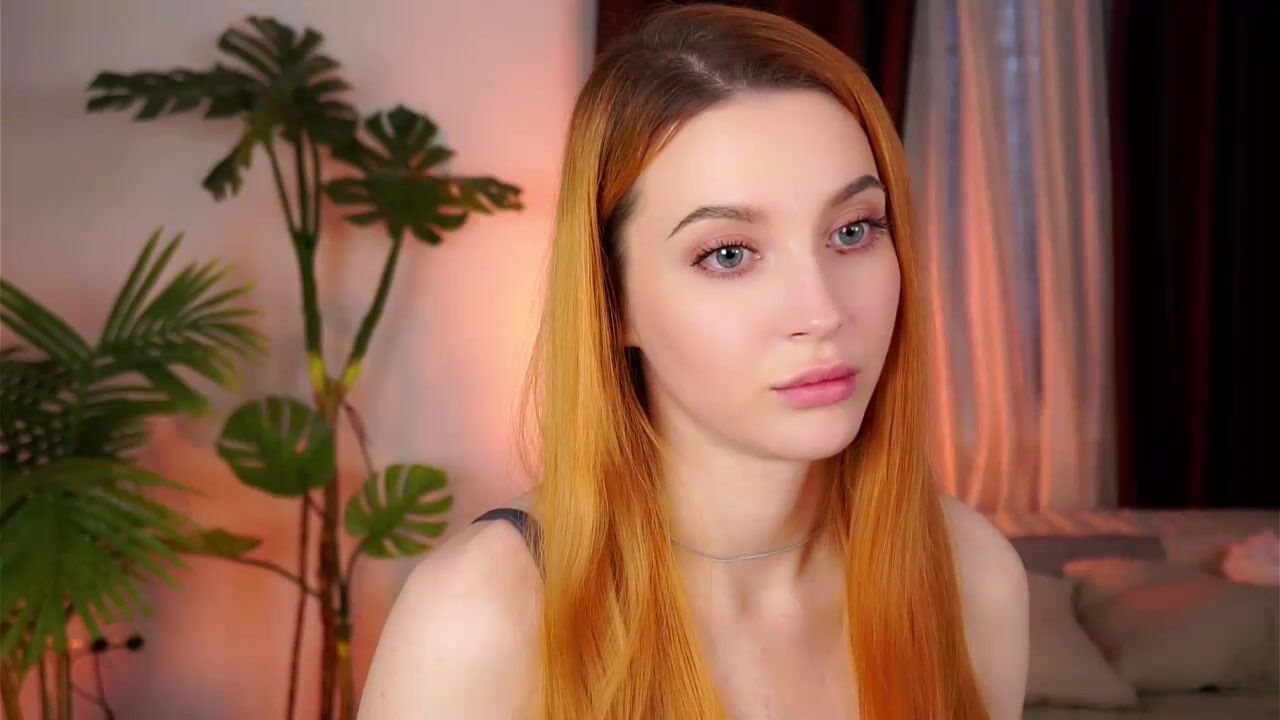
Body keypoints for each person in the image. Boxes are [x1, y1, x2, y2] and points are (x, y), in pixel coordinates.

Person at [358, 4, 1028, 719]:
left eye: (853, 230)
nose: (822, 311)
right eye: (729, 254)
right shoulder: (481, 619)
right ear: (613, 301)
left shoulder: (970, 576)